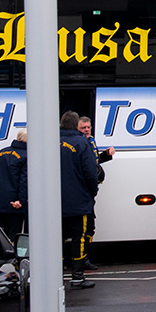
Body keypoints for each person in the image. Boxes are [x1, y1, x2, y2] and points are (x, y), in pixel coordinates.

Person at [58, 119, 102, 288]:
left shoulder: (50, 140)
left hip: (55, 202)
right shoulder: (82, 142)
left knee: (57, 238)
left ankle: (57, 274)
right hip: (79, 201)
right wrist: (93, 192)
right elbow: (90, 172)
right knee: (79, 238)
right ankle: (77, 277)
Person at [0, 130, 28, 243]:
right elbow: (24, 181)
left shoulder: (2, 152)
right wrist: (21, 200)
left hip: (0, 202)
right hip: (15, 204)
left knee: (0, 235)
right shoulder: (26, 156)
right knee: (14, 236)